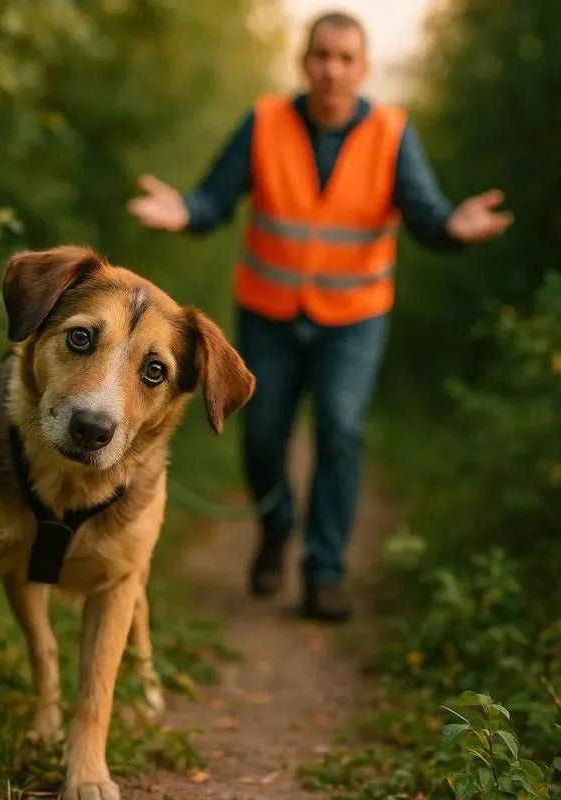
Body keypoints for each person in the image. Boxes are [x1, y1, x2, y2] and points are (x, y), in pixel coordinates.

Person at [127, 11, 513, 622]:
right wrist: (185, 210)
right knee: (259, 435)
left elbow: (427, 215)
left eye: (345, 59)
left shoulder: (391, 133)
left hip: (354, 318)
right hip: (269, 313)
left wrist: (452, 230)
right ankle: (277, 525)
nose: (332, 69)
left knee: (340, 429)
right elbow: (213, 198)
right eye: (321, 56)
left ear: (363, 69)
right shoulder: (265, 122)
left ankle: (325, 572)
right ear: (304, 62)